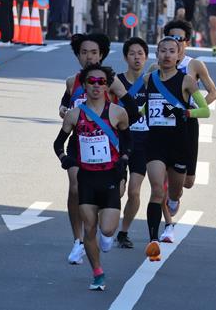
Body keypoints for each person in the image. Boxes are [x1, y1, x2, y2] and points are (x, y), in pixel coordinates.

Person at [58, 33, 138, 265]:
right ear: (78, 55)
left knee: (109, 196)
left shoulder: (109, 80)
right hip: (79, 144)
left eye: (94, 52)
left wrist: (120, 126)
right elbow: (65, 104)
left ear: (101, 54)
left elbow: (130, 107)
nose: (89, 57)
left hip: (108, 145)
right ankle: (78, 241)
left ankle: (103, 229)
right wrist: (64, 111)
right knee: (74, 187)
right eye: (84, 52)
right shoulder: (72, 81)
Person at [53, 64, 131, 291]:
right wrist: (64, 158)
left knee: (106, 230)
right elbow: (59, 143)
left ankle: (107, 238)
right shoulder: (74, 115)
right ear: (84, 85)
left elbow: (128, 142)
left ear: (107, 86)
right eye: (91, 82)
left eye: (101, 82)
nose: (96, 86)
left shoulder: (118, 113)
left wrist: (124, 160)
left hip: (109, 177)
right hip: (87, 177)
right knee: (89, 228)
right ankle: (97, 273)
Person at [143, 37, 210, 262]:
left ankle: (173, 203)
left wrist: (185, 113)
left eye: (172, 51)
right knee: (155, 189)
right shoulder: (148, 79)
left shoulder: (187, 81)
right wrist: (132, 115)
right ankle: (153, 240)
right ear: (157, 54)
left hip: (179, 143)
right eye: (163, 51)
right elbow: (145, 107)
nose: (167, 55)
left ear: (179, 55)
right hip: (155, 143)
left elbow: (204, 110)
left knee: (174, 192)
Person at [160, 20, 216, 242]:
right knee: (161, 175)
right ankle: (167, 224)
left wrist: (195, 107)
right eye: (171, 38)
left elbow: (213, 92)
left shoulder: (194, 65)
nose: (176, 43)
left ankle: (174, 196)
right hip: (163, 125)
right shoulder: (157, 67)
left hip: (187, 124)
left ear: (186, 42)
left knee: (187, 181)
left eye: (180, 39)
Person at [115, 37, 151, 249]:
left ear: (146, 57)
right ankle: (108, 221)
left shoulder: (153, 81)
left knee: (134, 191)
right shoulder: (116, 82)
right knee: (118, 190)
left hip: (143, 143)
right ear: (125, 57)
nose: (136, 57)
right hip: (119, 142)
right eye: (132, 54)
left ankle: (124, 232)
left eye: (140, 53)